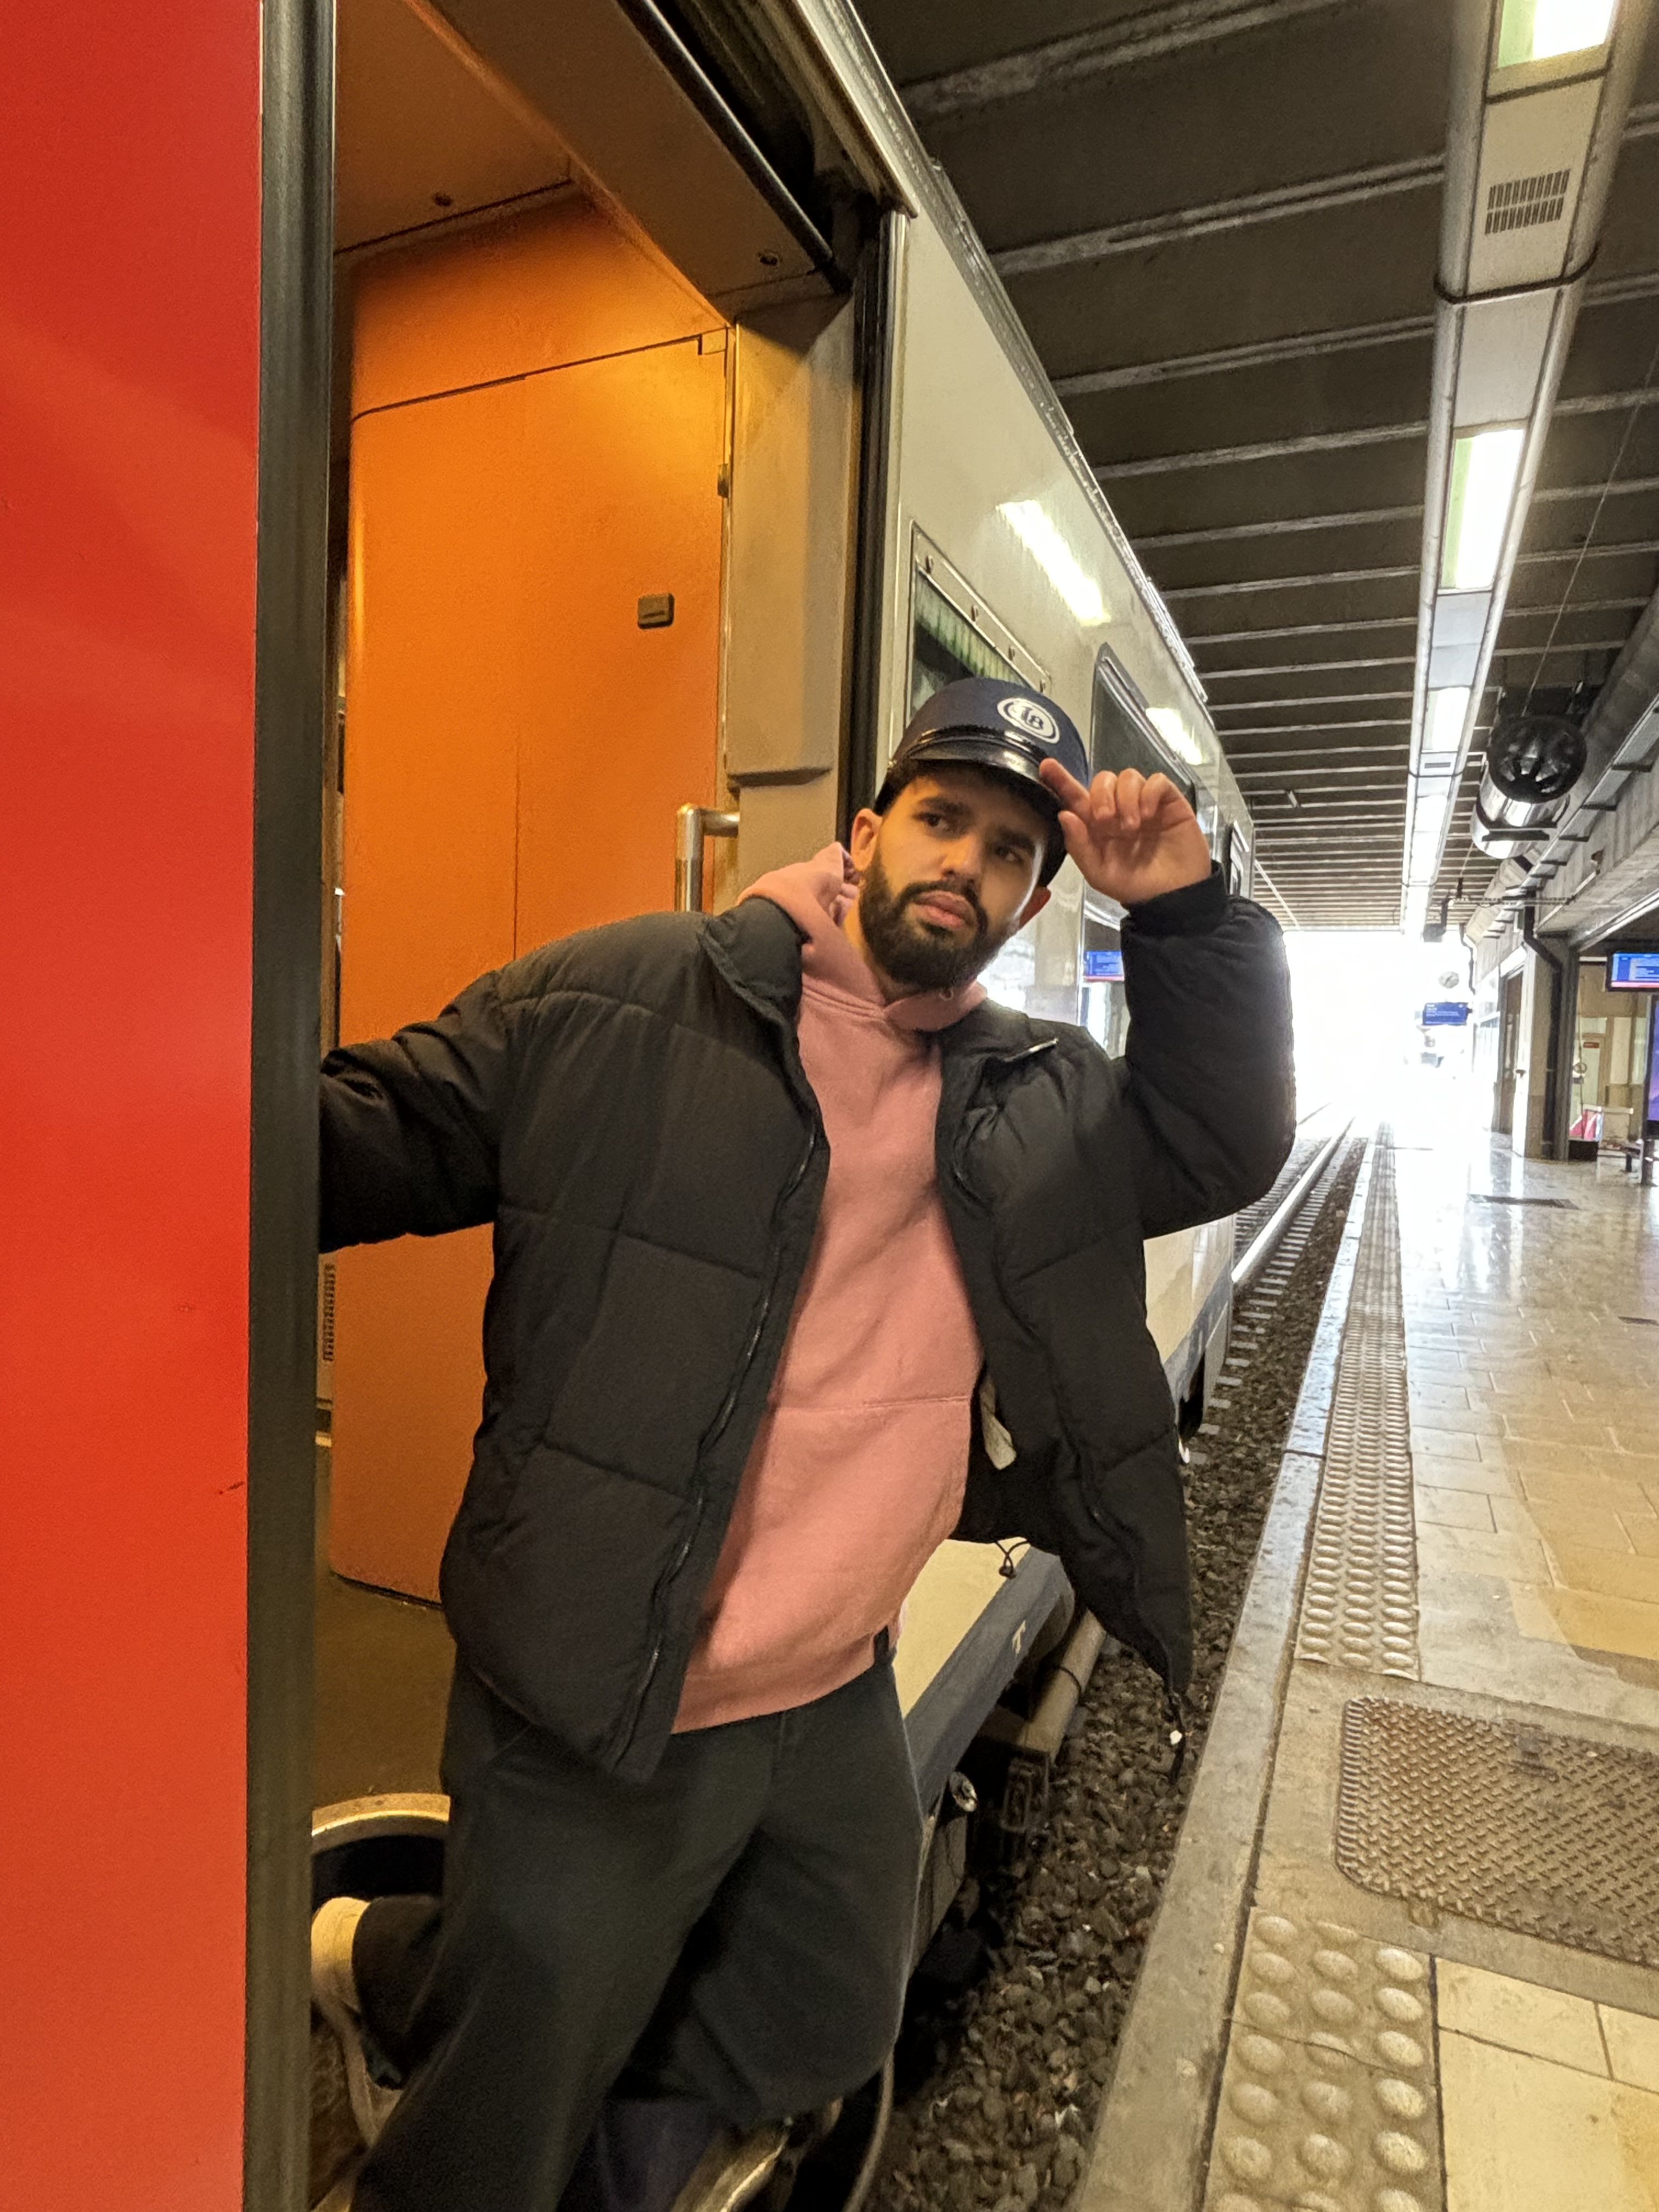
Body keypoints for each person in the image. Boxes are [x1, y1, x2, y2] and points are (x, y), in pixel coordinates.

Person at [311, 678, 1295, 2212]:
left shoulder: (1024, 1097)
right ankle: (405, 1991)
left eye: (1010, 853)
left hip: (833, 1683)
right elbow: (370, 1130)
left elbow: (1220, 1142)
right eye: (942, 820)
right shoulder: (622, 998)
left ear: (1035, 902)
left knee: (818, 2016)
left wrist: (1185, 919)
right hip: (600, 1677)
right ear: (864, 832)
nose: (967, 865)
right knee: (501, 2115)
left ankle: (453, 1994)